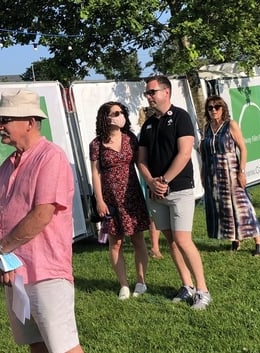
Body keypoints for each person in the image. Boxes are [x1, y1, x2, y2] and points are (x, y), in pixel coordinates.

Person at [0, 89, 98, 353]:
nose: (0, 126)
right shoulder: (7, 166)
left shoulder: (51, 158)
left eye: (6, 120)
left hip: (47, 268)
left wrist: (2, 249)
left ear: (31, 122)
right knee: (35, 342)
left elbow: (42, 214)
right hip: (17, 273)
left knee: (65, 345)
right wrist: (3, 258)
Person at [136, 75, 211, 310]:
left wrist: (165, 180)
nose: (149, 96)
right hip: (157, 193)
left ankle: (203, 290)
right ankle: (186, 285)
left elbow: (185, 153)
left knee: (183, 239)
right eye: (147, 93)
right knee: (171, 241)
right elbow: (141, 159)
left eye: (152, 92)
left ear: (166, 92)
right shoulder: (148, 125)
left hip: (179, 189)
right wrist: (150, 181)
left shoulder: (181, 117)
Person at [89, 101, 150, 299]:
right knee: (115, 242)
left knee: (138, 239)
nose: (118, 115)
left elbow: (141, 164)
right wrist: (99, 200)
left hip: (132, 196)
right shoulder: (96, 144)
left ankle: (141, 281)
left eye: (120, 112)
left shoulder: (131, 138)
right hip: (110, 199)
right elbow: (95, 173)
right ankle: (123, 284)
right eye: (114, 113)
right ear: (105, 117)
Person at [200, 95, 260, 256]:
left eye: (217, 107)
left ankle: (258, 241)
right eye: (210, 107)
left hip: (230, 171)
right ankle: (235, 239)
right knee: (223, 207)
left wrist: (241, 172)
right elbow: (204, 154)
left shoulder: (231, 125)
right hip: (212, 173)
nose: (214, 110)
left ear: (223, 109)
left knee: (242, 206)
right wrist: (203, 174)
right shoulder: (207, 128)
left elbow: (243, 148)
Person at [138, 106, 164, 259]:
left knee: (155, 214)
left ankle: (156, 246)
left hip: (155, 178)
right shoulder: (143, 133)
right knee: (153, 214)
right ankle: (155, 247)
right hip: (148, 179)